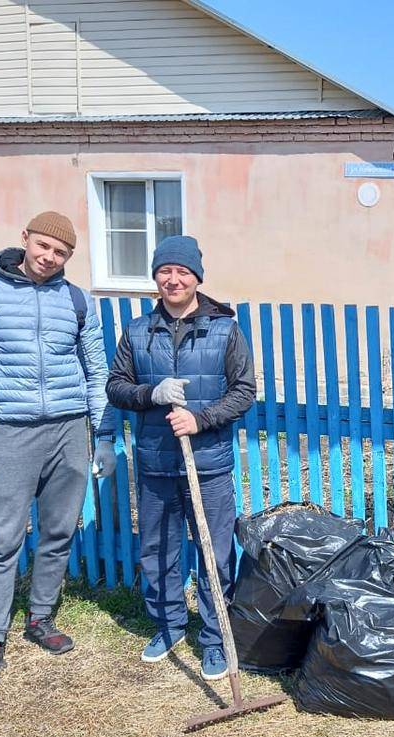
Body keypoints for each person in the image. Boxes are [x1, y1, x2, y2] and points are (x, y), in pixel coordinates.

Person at [0, 211, 117, 693]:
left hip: (69, 430)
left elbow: (97, 369)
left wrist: (104, 436)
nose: (49, 257)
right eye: (43, 246)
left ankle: (40, 617)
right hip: (11, 430)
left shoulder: (78, 301)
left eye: (60, 252)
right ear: (24, 239)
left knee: (59, 531)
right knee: (1, 540)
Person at [105, 235, 256, 680]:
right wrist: (152, 393)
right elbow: (116, 387)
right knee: (158, 551)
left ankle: (214, 639)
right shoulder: (137, 331)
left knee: (215, 554)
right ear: (156, 277)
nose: (173, 279)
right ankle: (169, 625)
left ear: (197, 278)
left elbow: (244, 391)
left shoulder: (225, 330)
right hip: (155, 462)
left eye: (182, 272)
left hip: (207, 464)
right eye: (165, 271)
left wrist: (201, 419)